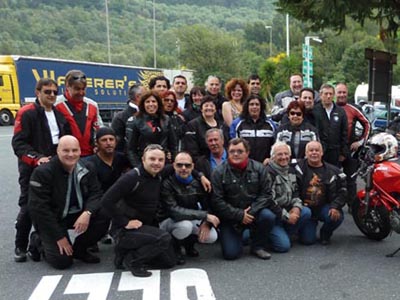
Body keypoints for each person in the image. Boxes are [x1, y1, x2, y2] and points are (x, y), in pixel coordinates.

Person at [28, 135, 109, 269]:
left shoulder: (88, 167)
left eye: (74, 150)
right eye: (66, 151)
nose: (71, 154)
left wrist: (87, 213)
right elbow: (39, 209)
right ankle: (38, 240)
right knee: (62, 262)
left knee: (105, 213)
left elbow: (97, 194)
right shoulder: (42, 173)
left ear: (79, 151)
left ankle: (80, 249)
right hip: (53, 219)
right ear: (58, 151)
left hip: (77, 214)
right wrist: (59, 237)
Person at [11, 78, 69, 263]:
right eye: (47, 92)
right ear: (38, 93)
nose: (51, 95)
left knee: (54, 204)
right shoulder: (27, 113)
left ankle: (39, 241)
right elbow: (19, 143)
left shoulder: (60, 114)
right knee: (28, 206)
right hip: (32, 168)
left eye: (54, 92)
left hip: (55, 167)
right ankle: (20, 245)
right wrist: (36, 159)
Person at [102, 144, 176, 277]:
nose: (156, 163)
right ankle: (134, 262)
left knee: (170, 261)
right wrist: (125, 222)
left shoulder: (159, 174)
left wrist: (200, 176)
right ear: (143, 160)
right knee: (164, 238)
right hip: (124, 230)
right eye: (152, 159)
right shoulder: (131, 177)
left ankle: (127, 255)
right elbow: (106, 201)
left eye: (160, 160)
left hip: (143, 228)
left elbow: (179, 165)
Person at [211, 138, 280, 260]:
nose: (235, 154)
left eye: (240, 151)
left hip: (254, 213)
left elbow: (266, 195)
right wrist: (239, 215)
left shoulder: (259, 169)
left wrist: (250, 212)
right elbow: (217, 201)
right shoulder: (218, 172)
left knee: (268, 216)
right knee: (231, 254)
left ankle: (258, 246)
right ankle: (242, 236)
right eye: (232, 151)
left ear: (247, 152)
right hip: (230, 217)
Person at [159, 152, 219, 264]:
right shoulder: (167, 183)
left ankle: (189, 245)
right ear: (173, 166)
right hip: (168, 221)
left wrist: (206, 223)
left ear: (192, 166)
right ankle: (175, 248)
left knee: (212, 236)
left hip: (190, 217)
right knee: (185, 226)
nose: (183, 168)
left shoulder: (200, 183)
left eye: (187, 165)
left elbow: (209, 205)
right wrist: (204, 216)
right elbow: (174, 211)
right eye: (179, 165)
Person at [296, 141, 346, 245]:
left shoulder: (334, 171)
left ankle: (325, 233)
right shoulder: (297, 167)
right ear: (305, 153)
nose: (314, 153)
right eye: (311, 150)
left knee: (337, 216)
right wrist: (269, 160)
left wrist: (335, 206)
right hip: (306, 209)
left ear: (322, 153)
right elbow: (281, 161)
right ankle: (303, 229)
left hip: (324, 207)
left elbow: (344, 191)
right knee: (308, 241)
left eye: (317, 150)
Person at [266, 142, 311, 252]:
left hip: (287, 209)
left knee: (305, 211)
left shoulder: (291, 170)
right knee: (283, 247)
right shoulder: (268, 173)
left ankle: (284, 233)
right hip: (273, 214)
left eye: (286, 154)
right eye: (279, 154)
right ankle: (269, 236)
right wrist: (286, 216)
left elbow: (296, 192)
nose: (284, 157)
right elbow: (269, 201)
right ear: (273, 157)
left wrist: (296, 209)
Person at [335, 82, 371, 208]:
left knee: (351, 180)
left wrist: (360, 142)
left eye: (344, 92)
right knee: (333, 179)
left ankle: (353, 206)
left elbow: (367, 124)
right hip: (334, 150)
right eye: (339, 92)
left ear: (347, 93)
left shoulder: (353, 108)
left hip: (350, 149)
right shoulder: (329, 108)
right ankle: (334, 205)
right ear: (335, 93)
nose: (342, 95)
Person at [55, 70, 101, 157]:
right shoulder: (56, 105)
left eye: (83, 89)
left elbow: (98, 128)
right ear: (67, 86)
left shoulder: (92, 105)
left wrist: (96, 144)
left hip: (89, 155)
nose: (81, 93)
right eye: (77, 89)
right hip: (67, 156)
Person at [126, 91, 177, 167]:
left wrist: (173, 160)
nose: (151, 104)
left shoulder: (166, 119)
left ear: (158, 104)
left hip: (164, 162)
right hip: (144, 164)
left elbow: (173, 144)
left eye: (154, 101)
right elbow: (130, 149)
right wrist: (138, 168)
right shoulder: (135, 121)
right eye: (147, 102)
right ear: (143, 104)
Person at [230, 95, 275, 164]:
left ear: (261, 107)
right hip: (244, 166)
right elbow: (234, 146)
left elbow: (276, 145)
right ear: (247, 107)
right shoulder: (238, 124)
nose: (254, 107)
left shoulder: (270, 125)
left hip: (265, 165)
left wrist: (270, 158)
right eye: (251, 104)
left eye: (257, 104)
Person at [313, 83, 349, 167]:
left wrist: (343, 152)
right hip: (319, 151)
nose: (328, 96)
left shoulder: (340, 112)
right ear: (321, 95)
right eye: (326, 94)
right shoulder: (315, 111)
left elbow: (344, 132)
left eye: (331, 94)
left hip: (335, 152)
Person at [183, 95, 223, 165]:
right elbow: (192, 150)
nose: (209, 108)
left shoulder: (222, 124)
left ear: (215, 109)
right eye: (206, 106)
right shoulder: (192, 125)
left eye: (211, 106)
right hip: (202, 163)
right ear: (201, 109)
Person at [111, 84, 145, 152]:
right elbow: (118, 144)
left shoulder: (149, 114)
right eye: (146, 95)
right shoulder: (120, 117)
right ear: (138, 97)